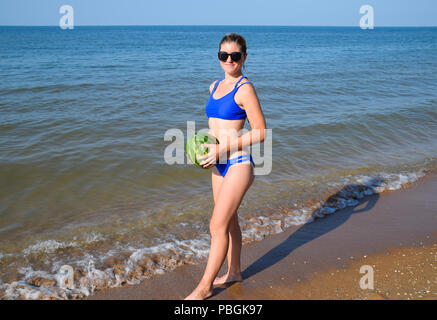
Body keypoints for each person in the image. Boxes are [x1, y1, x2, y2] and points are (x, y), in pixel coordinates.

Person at [184, 33, 266, 300]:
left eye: (234, 56)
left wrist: (221, 148)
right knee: (229, 223)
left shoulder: (245, 89)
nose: (229, 60)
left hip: (239, 162)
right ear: (218, 57)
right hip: (217, 164)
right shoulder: (214, 86)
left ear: (244, 57)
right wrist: (201, 148)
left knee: (216, 226)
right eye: (223, 55)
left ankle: (205, 286)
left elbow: (261, 132)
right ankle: (234, 272)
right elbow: (216, 127)